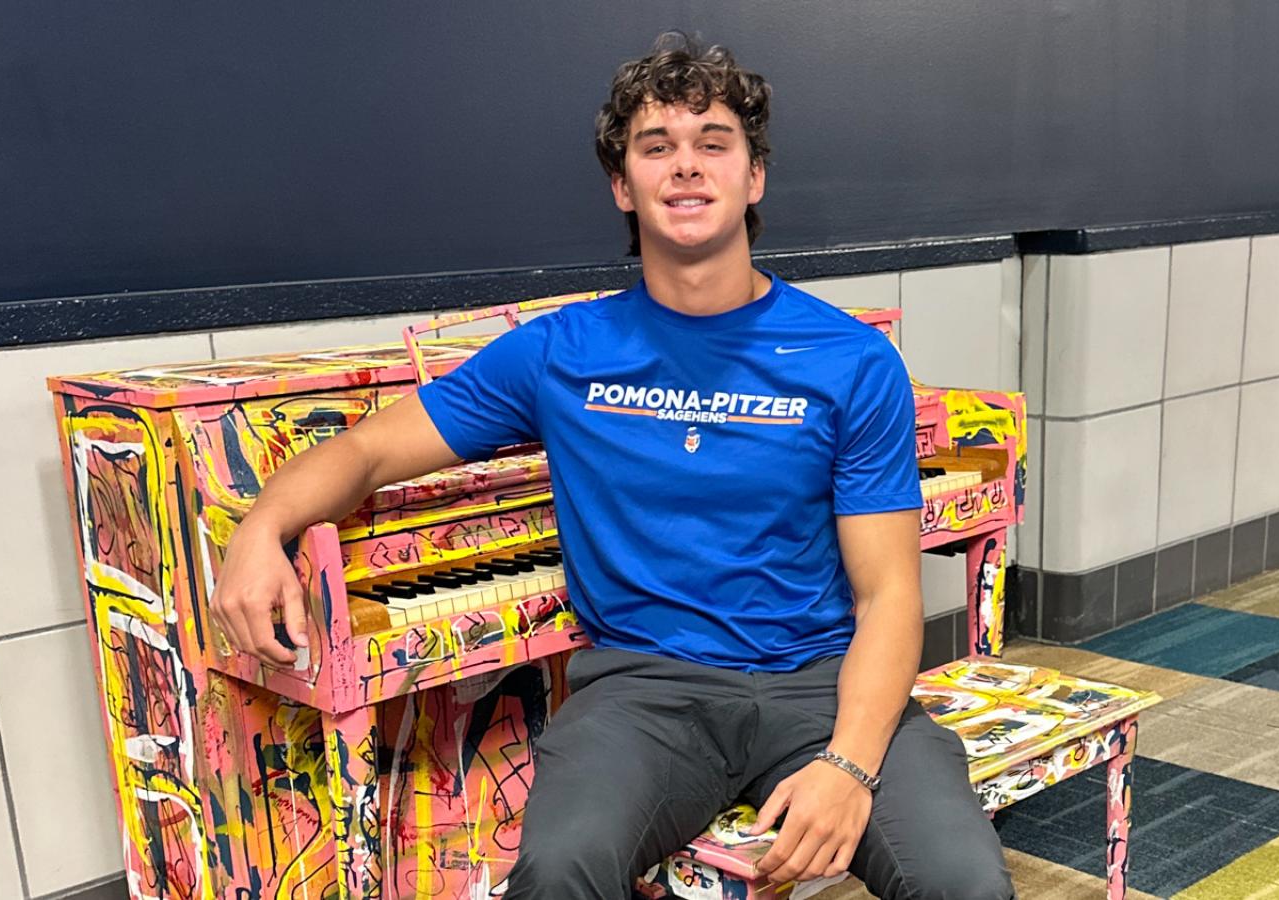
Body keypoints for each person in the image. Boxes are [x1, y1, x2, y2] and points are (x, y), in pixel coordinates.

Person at [210, 32, 1014, 900]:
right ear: (622, 186)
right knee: (558, 873)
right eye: (655, 148)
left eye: (715, 144)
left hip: (822, 682)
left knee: (964, 883)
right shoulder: (561, 352)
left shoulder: (848, 359)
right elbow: (366, 448)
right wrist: (264, 525)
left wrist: (850, 765)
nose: (687, 167)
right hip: (645, 694)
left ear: (754, 179)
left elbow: (889, 594)